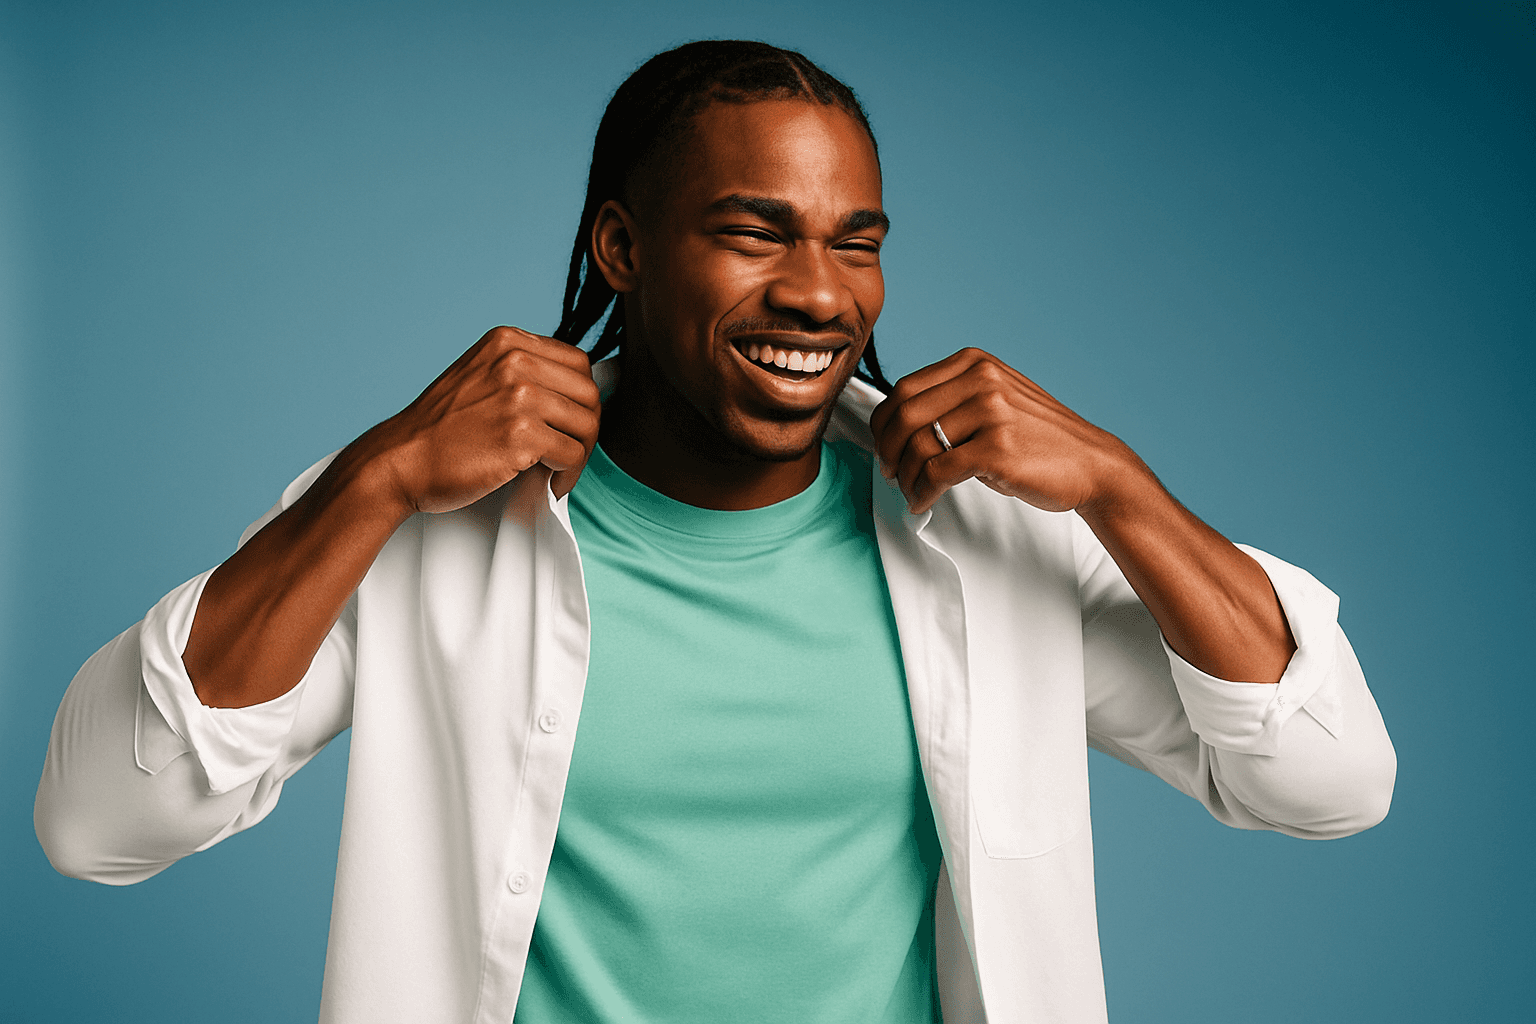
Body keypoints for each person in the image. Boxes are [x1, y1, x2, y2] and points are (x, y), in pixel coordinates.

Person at [34, 40, 1395, 1024]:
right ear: (622, 251)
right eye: (756, 232)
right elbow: (103, 819)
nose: (819, 294)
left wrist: (1119, 487)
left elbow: (1331, 783)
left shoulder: (986, 541)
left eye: (854, 242)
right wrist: (377, 479)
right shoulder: (421, 524)